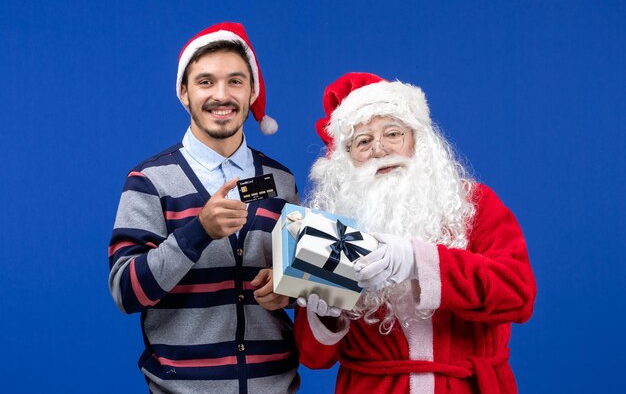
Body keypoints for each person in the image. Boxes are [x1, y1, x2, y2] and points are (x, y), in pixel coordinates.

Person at [294, 72, 536, 394]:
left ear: (417, 140)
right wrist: (327, 317)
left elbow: (519, 294)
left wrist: (419, 261)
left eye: (393, 133)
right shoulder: (332, 230)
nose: (379, 149)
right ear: (346, 160)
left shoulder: (474, 204)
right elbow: (313, 357)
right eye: (363, 141)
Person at [108, 22, 300, 394]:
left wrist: (290, 290)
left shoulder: (281, 180)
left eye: (235, 81)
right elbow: (125, 292)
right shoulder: (150, 181)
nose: (221, 95)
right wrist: (198, 232)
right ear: (184, 93)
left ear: (251, 91)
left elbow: (309, 284)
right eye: (206, 82)